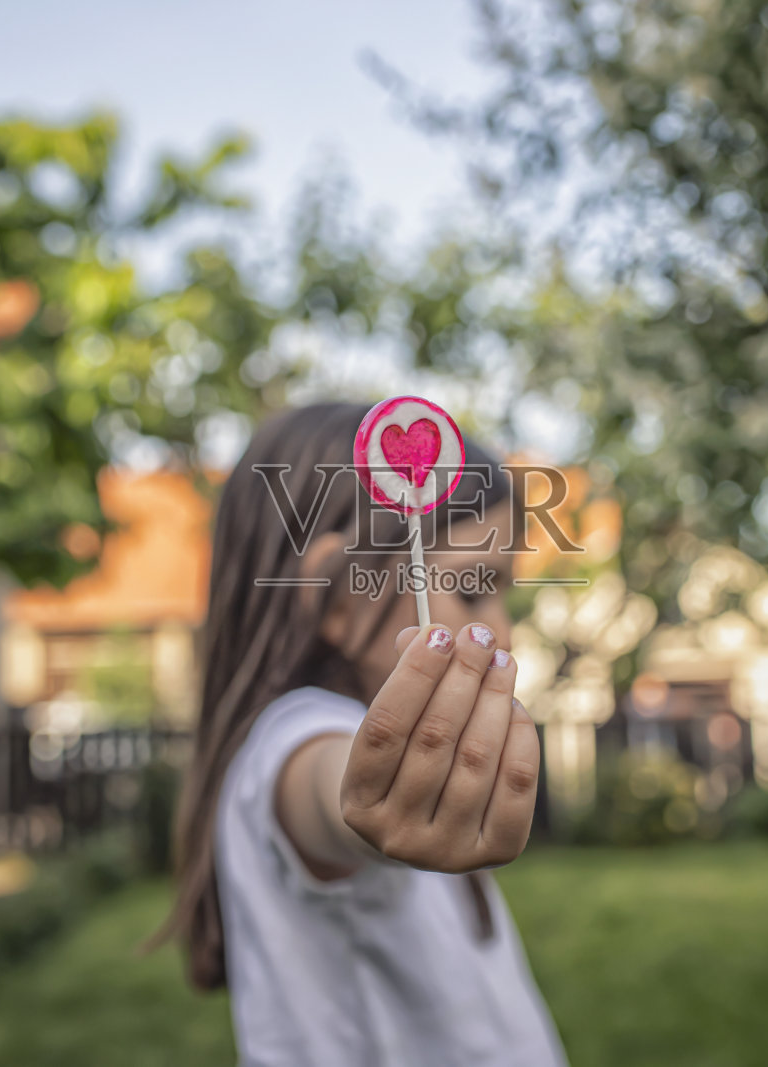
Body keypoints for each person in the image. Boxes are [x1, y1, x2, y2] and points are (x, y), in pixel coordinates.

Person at [151, 402, 567, 1066]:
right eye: (474, 587)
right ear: (339, 595)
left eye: (504, 594)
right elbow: (329, 791)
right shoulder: (295, 743)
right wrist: (373, 800)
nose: (504, 630)